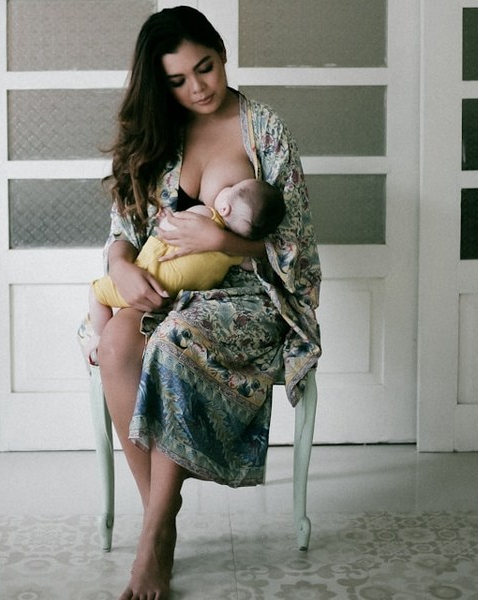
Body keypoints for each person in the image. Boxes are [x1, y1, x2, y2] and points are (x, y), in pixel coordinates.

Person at [93, 6, 321, 599]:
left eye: (206, 68)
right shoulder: (156, 131)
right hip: (164, 284)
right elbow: (123, 229)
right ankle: (159, 517)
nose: (197, 88)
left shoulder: (263, 129)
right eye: (178, 79)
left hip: (248, 297)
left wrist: (220, 239)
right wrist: (120, 265)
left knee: (170, 342)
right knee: (117, 340)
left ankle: (151, 543)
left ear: (221, 53)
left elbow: (294, 246)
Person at [79, 178, 285, 366]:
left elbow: (168, 227)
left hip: (151, 274)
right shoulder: (234, 254)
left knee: (96, 293)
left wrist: (164, 220)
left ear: (224, 207)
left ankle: (99, 337)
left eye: (230, 188)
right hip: (179, 297)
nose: (226, 187)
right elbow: (254, 262)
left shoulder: (207, 215)